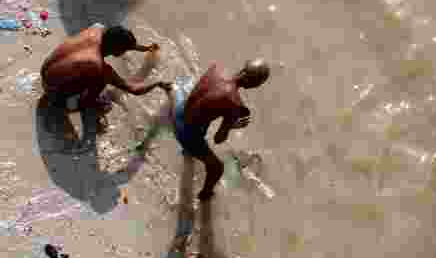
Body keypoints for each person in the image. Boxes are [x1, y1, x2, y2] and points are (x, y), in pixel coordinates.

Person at [173, 60, 270, 201]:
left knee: (199, 119)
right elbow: (218, 139)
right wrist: (231, 126)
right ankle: (205, 194)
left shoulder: (216, 70)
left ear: (244, 67)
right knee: (217, 168)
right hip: (184, 134)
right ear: (254, 85)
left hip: (179, 112)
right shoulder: (235, 103)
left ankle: (188, 150)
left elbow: (205, 102)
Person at [40, 24, 170, 112]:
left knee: (87, 71)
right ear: (117, 51)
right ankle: (86, 104)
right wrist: (158, 84)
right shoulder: (97, 65)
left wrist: (146, 48)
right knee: (101, 79)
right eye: (124, 50)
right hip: (53, 93)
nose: (125, 53)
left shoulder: (97, 28)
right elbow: (133, 89)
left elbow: (116, 38)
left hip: (46, 69)